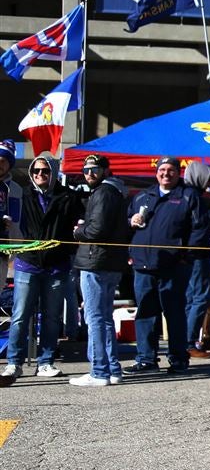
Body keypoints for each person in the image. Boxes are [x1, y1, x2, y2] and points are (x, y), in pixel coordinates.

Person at [3, 153, 83, 381]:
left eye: (45, 171)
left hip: (57, 265)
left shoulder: (68, 197)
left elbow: (79, 224)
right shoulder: (22, 194)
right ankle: (13, 363)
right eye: (36, 171)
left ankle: (46, 361)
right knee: (20, 316)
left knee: (51, 317)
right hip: (27, 263)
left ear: (54, 172)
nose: (40, 175)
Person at [127, 156, 206, 374]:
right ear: (156, 172)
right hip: (143, 264)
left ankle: (178, 359)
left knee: (174, 313)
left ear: (178, 173)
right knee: (145, 313)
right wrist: (130, 225)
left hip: (174, 265)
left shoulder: (189, 196)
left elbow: (199, 230)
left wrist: (186, 256)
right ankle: (146, 359)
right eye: (162, 169)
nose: (166, 173)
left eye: (171, 170)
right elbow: (127, 224)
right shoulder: (143, 195)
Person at [69, 155, 130, 387]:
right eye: (86, 170)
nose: (89, 173)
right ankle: (112, 369)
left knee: (94, 317)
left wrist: (79, 231)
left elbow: (97, 230)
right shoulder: (115, 191)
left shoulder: (104, 192)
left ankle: (99, 371)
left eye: (94, 169)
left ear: (105, 170)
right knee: (104, 318)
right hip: (109, 263)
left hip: (96, 262)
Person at [183, 162, 210, 359]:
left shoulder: (185, 194)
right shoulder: (194, 197)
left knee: (189, 298)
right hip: (196, 254)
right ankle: (188, 342)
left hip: (189, 254)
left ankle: (184, 341)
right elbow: (197, 227)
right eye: (209, 177)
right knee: (199, 297)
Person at [0, 139, 24, 288]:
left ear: (10, 164)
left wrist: (15, 251)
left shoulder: (17, 189)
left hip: (4, 252)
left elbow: (19, 222)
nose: (0, 164)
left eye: (3, 161)